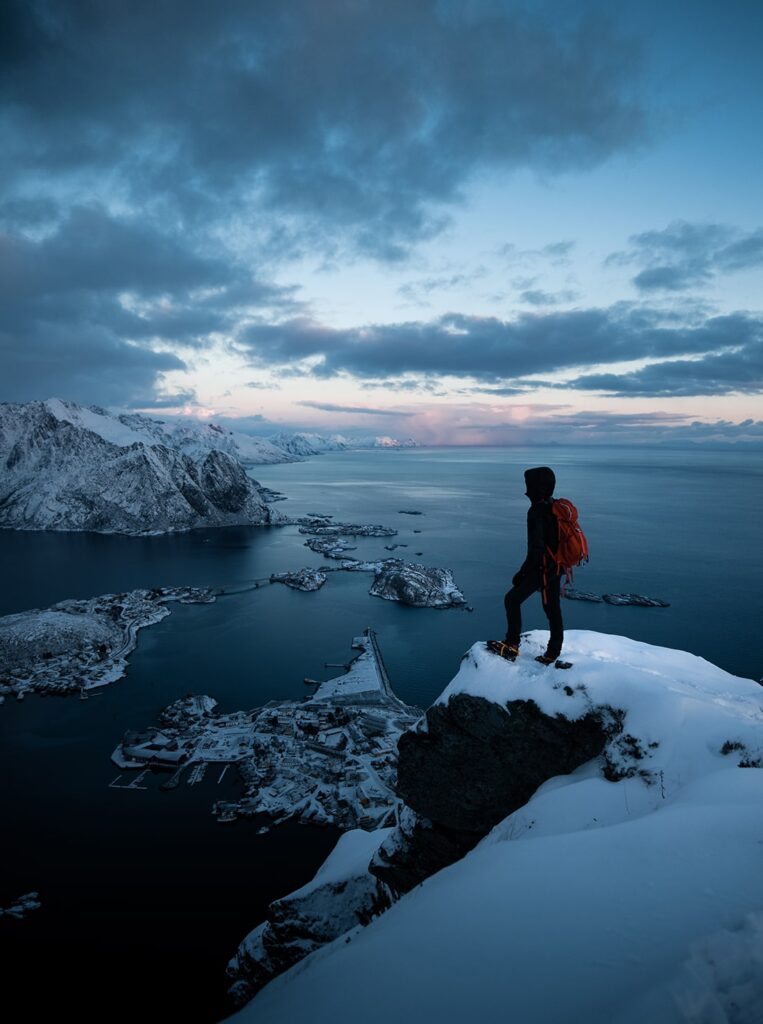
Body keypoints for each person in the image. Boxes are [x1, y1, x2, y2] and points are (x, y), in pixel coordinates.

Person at [487, 466, 563, 665]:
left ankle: (512, 644)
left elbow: (536, 549)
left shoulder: (537, 511)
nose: (526, 490)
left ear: (535, 487)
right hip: (558, 565)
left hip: (543, 567)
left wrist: (522, 573)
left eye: (528, 485)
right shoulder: (554, 505)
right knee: (552, 608)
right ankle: (553, 652)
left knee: (511, 600)